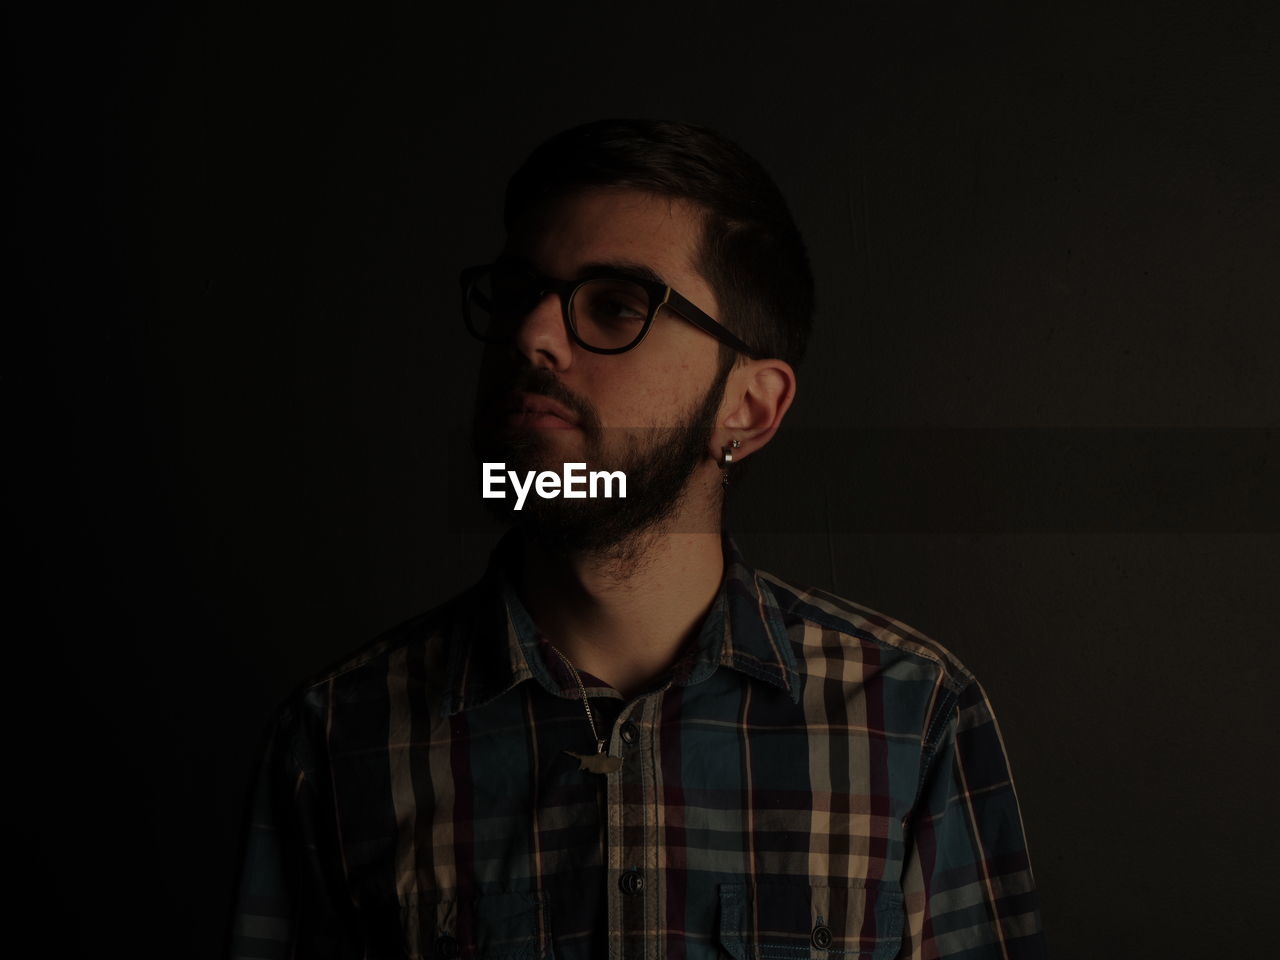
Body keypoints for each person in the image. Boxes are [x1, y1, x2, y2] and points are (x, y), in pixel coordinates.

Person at [228, 118, 1048, 960]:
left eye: (615, 305)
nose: (532, 336)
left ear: (750, 408)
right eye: (518, 295)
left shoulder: (911, 719)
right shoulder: (337, 739)